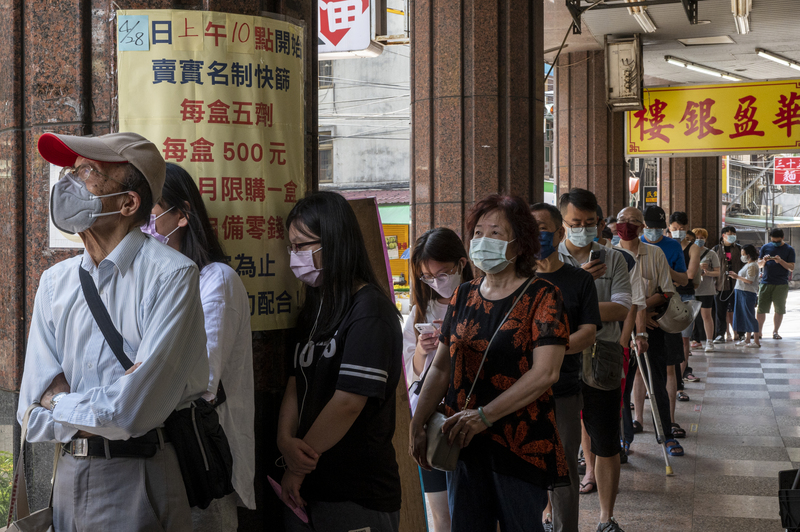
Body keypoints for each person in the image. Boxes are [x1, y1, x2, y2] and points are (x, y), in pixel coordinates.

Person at [19, 132, 209, 531]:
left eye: (87, 172)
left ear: (128, 202)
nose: (68, 183)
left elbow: (131, 412)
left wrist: (59, 400)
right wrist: (88, 406)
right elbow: (28, 414)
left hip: (137, 474)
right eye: (69, 171)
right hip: (68, 473)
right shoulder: (56, 283)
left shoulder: (172, 276)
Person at [410, 194, 569, 532]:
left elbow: (546, 373)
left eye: (495, 232)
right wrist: (419, 420)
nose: (483, 240)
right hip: (463, 441)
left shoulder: (543, 295)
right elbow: (440, 366)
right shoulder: (464, 294)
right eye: (478, 231)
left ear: (519, 243)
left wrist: (484, 416)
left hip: (520, 444)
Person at [277, 191, 403, 531]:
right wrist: (284, 440)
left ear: (334, 242)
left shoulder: (370, 311)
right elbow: (295, 382)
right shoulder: (314, 310)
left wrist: (297, 466)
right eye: (291, 247)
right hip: (309, 490)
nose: (295, 256)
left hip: (358, 491)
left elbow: (348, 401)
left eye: (303, 246)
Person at [142, 163, 256, 530]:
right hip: (165, 455)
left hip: (204, 457)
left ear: (182, 215)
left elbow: (201, 379)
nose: (144, 227)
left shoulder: (215, 282)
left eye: (152, 214)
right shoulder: (150, 282)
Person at [558, 189, 631, 532]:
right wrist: (582, 285)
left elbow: (621, 308)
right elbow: (540, 312)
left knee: (605, 438)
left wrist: (574, 305)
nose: (583, 229)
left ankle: (606, 517)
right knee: (557, 438)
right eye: (576, 222)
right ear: (563, 223)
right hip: (560, 357)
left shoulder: (613, 258)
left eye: (590, 223)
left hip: (602, 355)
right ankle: (550, 515)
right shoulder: (548, 261)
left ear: (600, 222)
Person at [531, 203, 601, 532]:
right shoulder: (514, 277)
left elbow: (589, 331)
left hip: (563, 391)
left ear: (560, 233)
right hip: (517, 394)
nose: (535, 236)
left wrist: (552, 352)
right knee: (522, 471)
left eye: (543, 229)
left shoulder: (578, 280)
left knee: (563, 471)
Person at [402, 227, 473, 532]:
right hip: (433, 419)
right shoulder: (421, 309)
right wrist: (420, 351)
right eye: (427, 277)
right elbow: (409, 370)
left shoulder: (481, 300)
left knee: (475, 509)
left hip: (472, 414)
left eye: (442, 274)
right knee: (441, 513)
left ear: (461, 263)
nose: (435, 283)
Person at [637, 206, 687, 454]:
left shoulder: (661, 251)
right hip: (626, 321)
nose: (652, 231)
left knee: (662, 371)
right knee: (631, 376)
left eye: (658, 227)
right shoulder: (612, 251)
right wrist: (637, 313)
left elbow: (676, 285)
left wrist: (644, 309)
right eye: (649, 226)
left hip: (660, 317)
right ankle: (631, 425)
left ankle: (666, 428)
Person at [668, 212, 702, 392]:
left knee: (684, 341)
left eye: (682, 229)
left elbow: (689, 275)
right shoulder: (664, 244)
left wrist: (667, 277)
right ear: (669, 227)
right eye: (675, 228)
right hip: (665, 297)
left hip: (685, 296)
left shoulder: (693, 248)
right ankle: (667, 380)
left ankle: (679, 381)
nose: (678, 232)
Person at [757, 228, 796, 340]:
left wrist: (780, 261)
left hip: (781, 283)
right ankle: (759, 332)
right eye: (773, 241)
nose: (775, 243)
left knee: (779, 309)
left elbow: (791, 267)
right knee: (761, 308)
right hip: (765, 282)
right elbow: (759, 265)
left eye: (777, 241)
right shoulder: (765, 247)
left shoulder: (789, 249)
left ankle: (775, 331)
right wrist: (764, 260)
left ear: (783, 238)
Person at [712, 227, 743, 343]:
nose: (732, 236)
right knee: (720, 311)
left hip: (736, 285)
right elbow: (710, 265)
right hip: (720, 284)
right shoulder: (716, 249)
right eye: (729, 234)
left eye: (734, 234)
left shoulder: (739, 249)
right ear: (723, 235)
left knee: (738, 310)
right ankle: (720, 334)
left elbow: (744, 265)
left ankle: (740, 333)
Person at [691, 228, 719, 355]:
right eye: (697, 237)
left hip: (706, 290)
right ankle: (694, 340)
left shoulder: (711, 253)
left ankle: (709, 341)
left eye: (702, 238)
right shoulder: (688, 251)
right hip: (691, 289)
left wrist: (707, 272)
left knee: (706, 316)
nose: (699, 240)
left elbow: (718, 272)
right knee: (690, 317)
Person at [731, 245, 761, 348]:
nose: (742, 256)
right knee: (745, 316)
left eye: (743, 254)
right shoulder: (748, 264)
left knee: (749, 316)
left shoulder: (752, 265)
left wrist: (736, 276)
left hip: (747, 293)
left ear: (748, 255)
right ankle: (747, 339)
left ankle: (756, 341)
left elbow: (749, 280)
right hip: (742, 291)